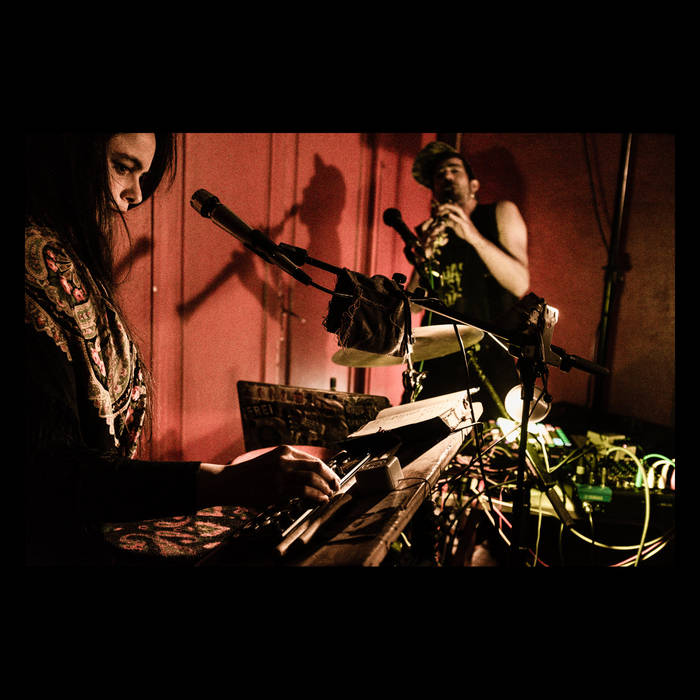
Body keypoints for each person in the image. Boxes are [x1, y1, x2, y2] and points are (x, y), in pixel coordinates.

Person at [24, 132, 340, 565]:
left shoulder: (58, 257)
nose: (135, 195)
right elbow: (49, 474)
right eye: (122, 167)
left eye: (143, 175)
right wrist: (223, 481)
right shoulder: (31, 265)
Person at [404, 141, 530, 421]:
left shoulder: (499, 213)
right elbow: (413, 306)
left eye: (454, 169)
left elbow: (520, 283)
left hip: (490, 358)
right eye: (439, 175)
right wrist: (423, 260)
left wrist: (471, 235)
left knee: (493, 438)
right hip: (440, 362)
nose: (446, 176)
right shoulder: (434, 232)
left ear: (474, 185)